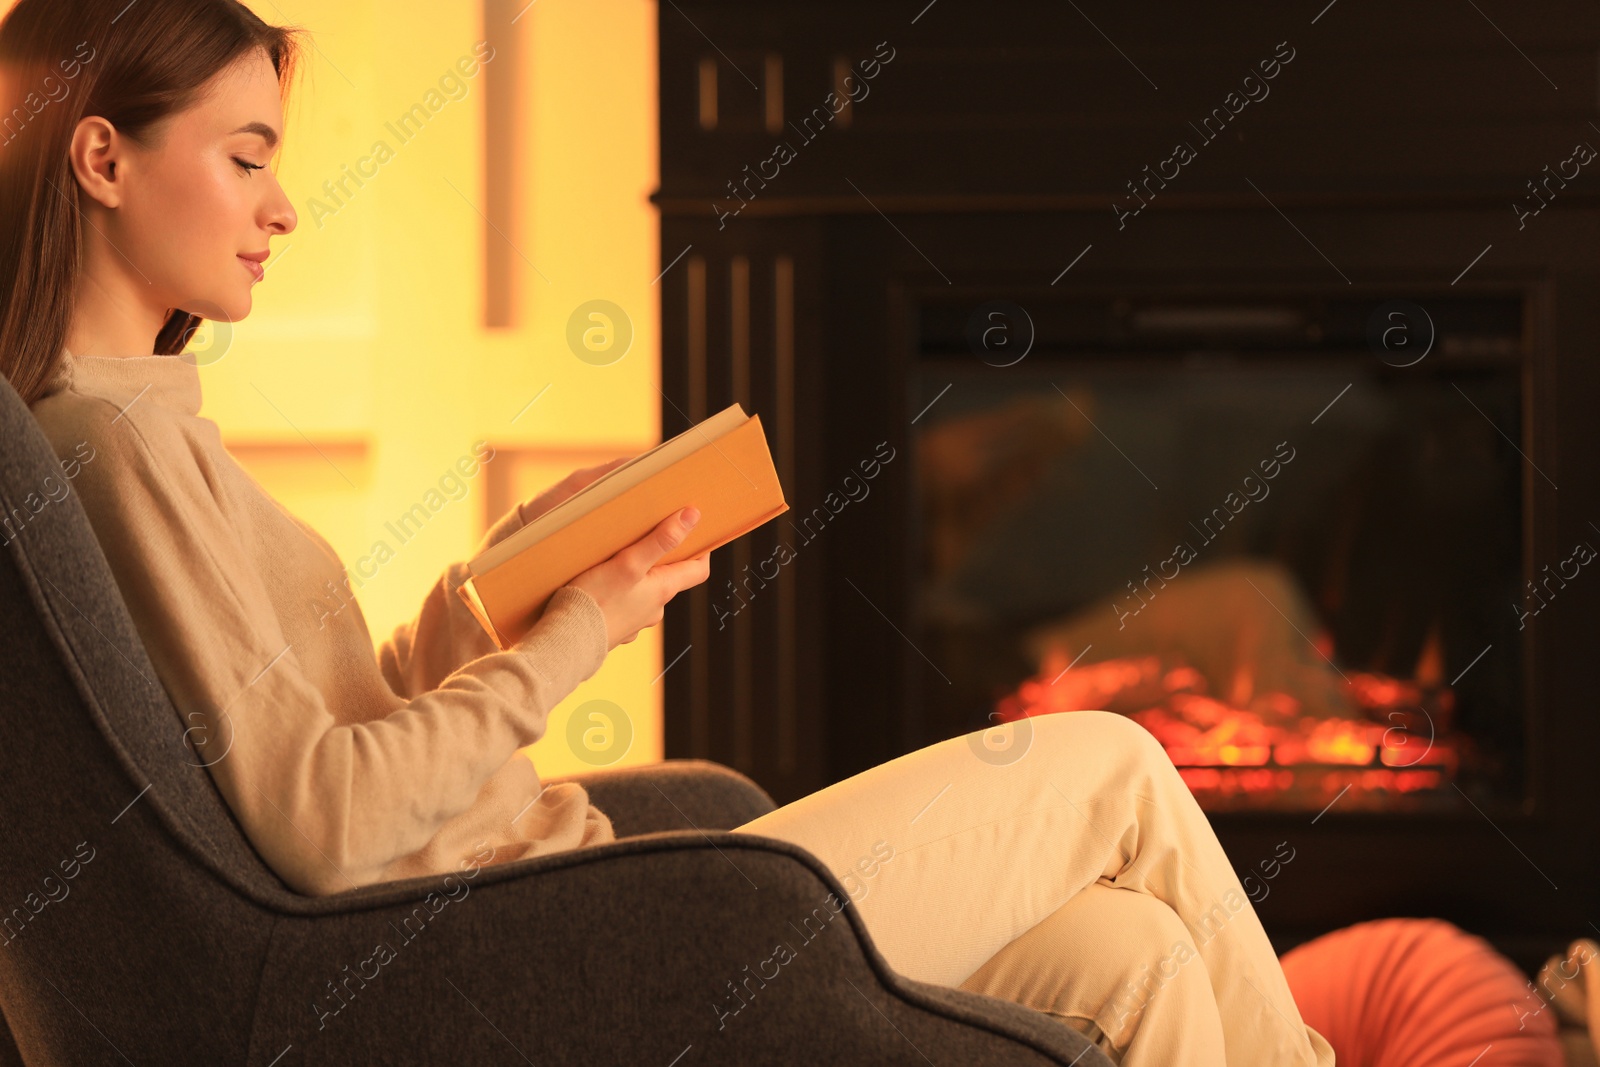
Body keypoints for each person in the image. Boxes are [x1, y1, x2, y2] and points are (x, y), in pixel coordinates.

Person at [0, 2, 1333, 1063]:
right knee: (1109, 763)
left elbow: (325, 739)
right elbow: (329, 822)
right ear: (102, 156)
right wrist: (582, 631)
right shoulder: (116, 449)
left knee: (1133, 959)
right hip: (576, 939)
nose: (282, 207)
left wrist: (493, 599)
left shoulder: (131, 433)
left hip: (583, 904)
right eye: (245, 158)